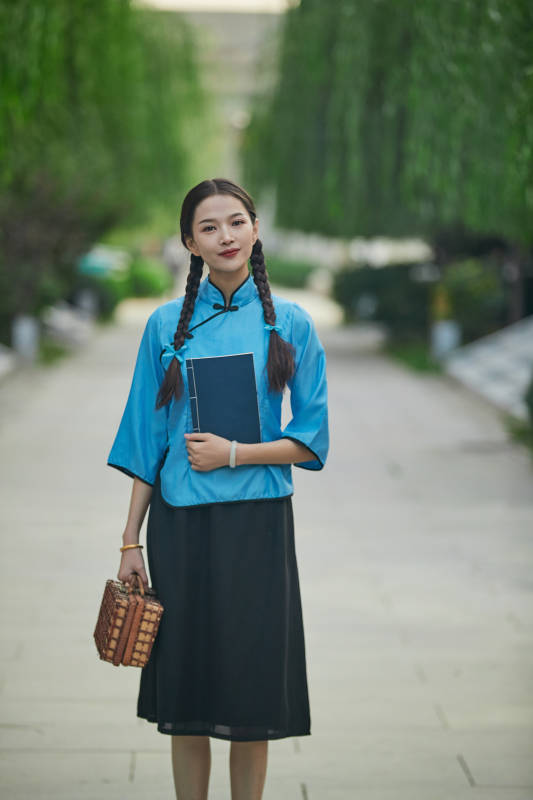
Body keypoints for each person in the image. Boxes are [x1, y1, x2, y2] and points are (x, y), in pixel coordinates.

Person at [107, 177, 329, 800]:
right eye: (209, 227)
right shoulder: (164, 328)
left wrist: (236, 453)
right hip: (181, 528)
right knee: (188, 683)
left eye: (236, 222)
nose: (225, 236)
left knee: (251, 686)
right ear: (189, 243)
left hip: (257, 526)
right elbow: (145, 440)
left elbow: (312, 438)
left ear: (255, 228)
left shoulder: (291, 325)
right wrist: (130, 542)